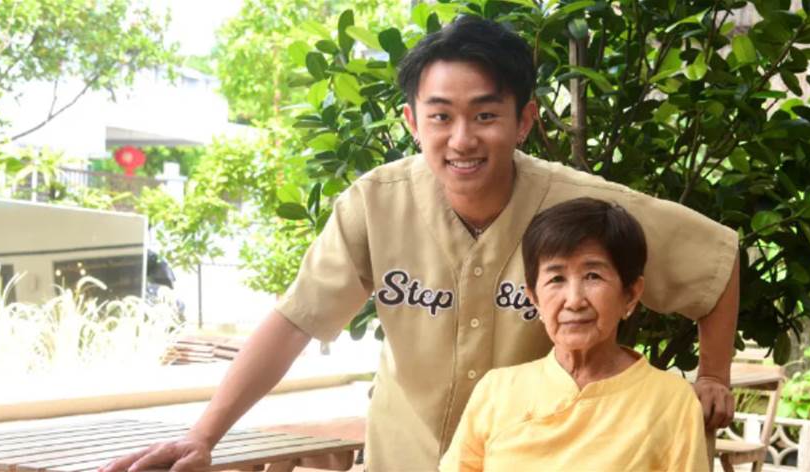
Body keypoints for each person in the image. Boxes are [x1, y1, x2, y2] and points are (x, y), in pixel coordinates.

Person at [102, 16, 739, 472]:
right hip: (403, 456)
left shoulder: (582, 206)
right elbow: (296, 321)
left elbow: (714, 258)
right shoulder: (376, 204)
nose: (462, 138)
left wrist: (713, 374)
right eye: (440, 116)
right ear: (412, 121)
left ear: (524, 119)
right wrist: (205, 434)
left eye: (485, 115)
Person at [440, 198, 708, 471]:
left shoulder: (671, 401)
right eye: (556, 279)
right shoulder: (497, 391)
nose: (574, 300)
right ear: (534, 298)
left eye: (593, 276)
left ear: (630, 294)